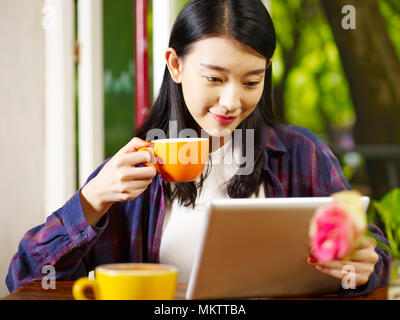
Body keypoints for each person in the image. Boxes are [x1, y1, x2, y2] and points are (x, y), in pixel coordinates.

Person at [6, 0, 390, 296]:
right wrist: (91, 201)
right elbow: (24, 277)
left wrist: (364, 264)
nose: (231, 101)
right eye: (214, 78)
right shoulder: (131, 173)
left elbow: (377, 257)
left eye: (251, 81)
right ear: (175, 65)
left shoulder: (301, 154)